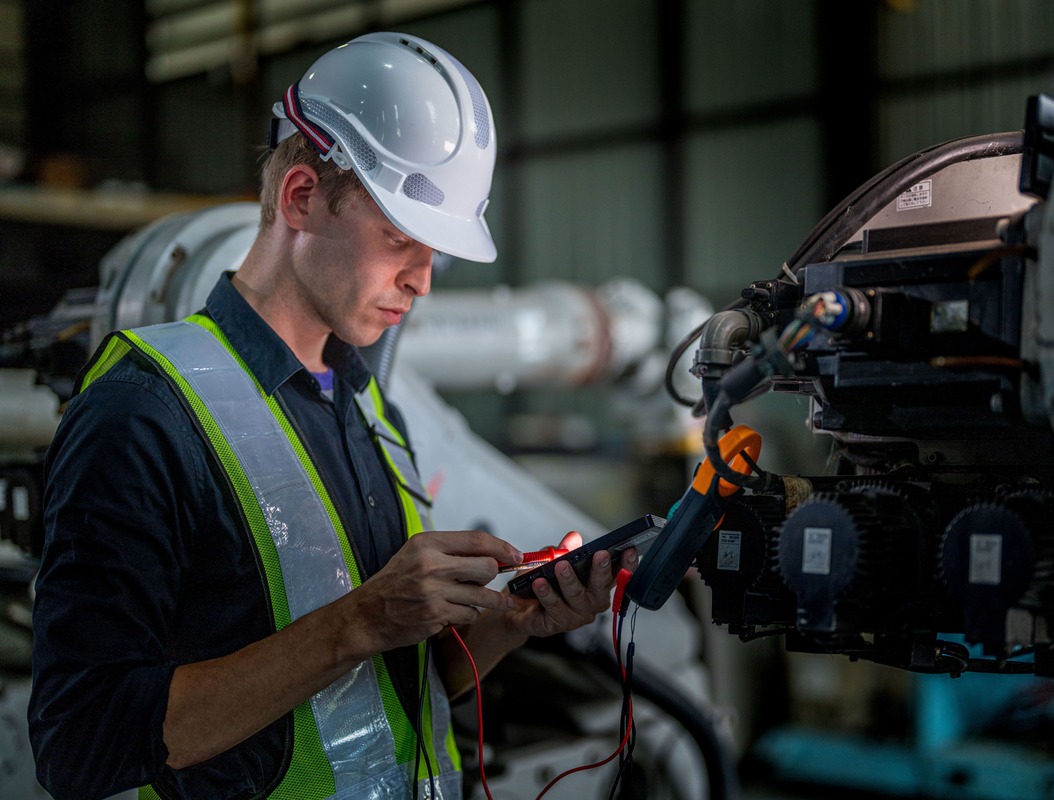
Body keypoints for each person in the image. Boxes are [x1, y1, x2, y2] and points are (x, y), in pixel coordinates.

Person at [28, 32, 637, 800]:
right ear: (302, 198)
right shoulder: (143, 413)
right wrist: (356, 622)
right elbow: (80, 745)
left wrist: (509, 624)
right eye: (398, 241)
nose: (420, 283)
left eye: (435, 257)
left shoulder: (366, 406)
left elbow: (383, 693)